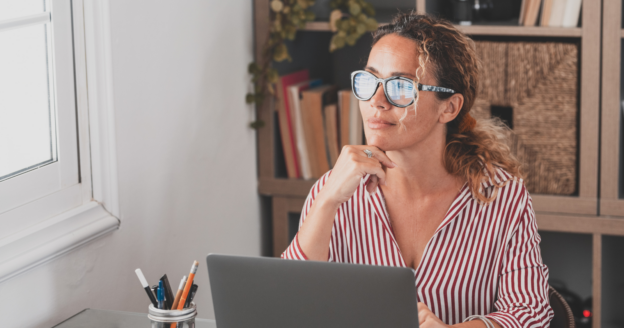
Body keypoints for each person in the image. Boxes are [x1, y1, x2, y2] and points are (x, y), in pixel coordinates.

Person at [281, 12, 554, 328]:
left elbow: (529, 312)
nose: (377, 101)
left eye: (400, 86)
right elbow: (290, 309)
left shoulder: (501, 196)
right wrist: (326, 202)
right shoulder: (336, 189)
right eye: (369, 81)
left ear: (448, 108)